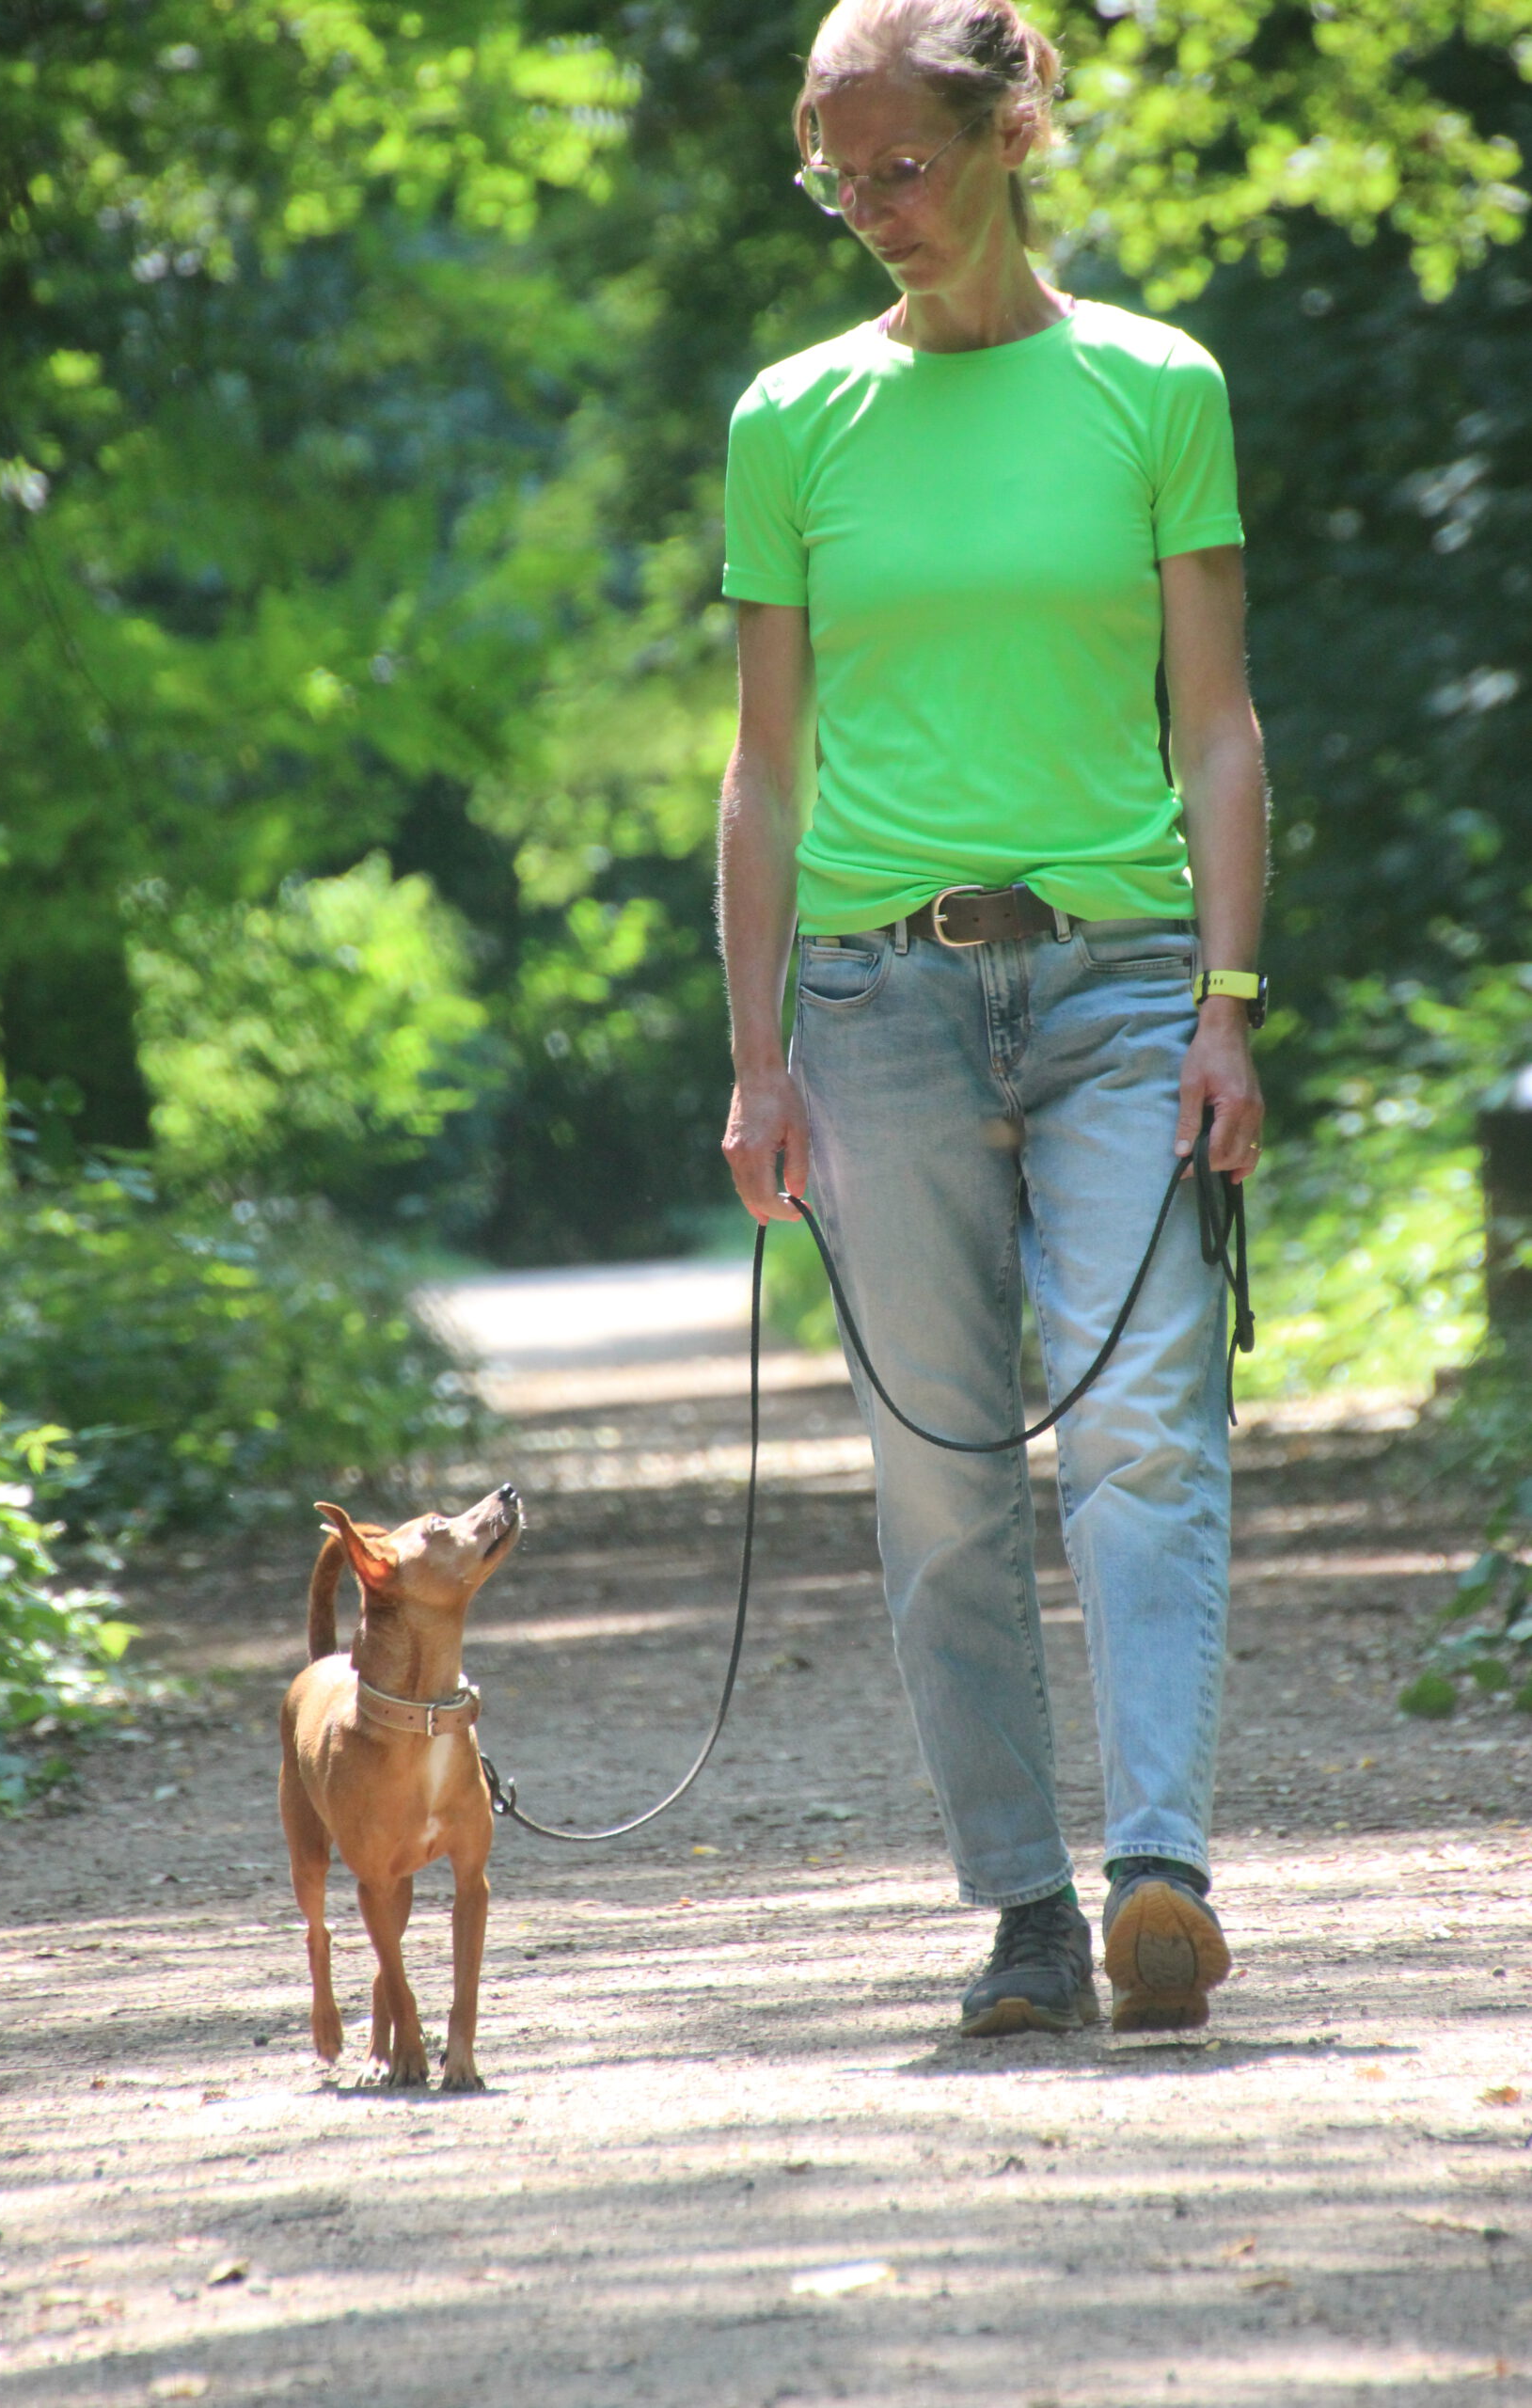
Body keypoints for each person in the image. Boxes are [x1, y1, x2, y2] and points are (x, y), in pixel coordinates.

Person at [716, 0, 1267, 2036]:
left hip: (1123, 976)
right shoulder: (790, 418)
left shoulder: (1156, 386)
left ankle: (1157, 1873)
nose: (874, 207)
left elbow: (1217, 727)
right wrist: (756, 1060)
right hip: (874, 997)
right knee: (938, 1467)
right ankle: (1023, 1910)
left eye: (905, 166)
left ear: (1009, 132)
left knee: (1141, 1420)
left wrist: (1227, 1002)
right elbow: (761, 770)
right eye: (838, 176)